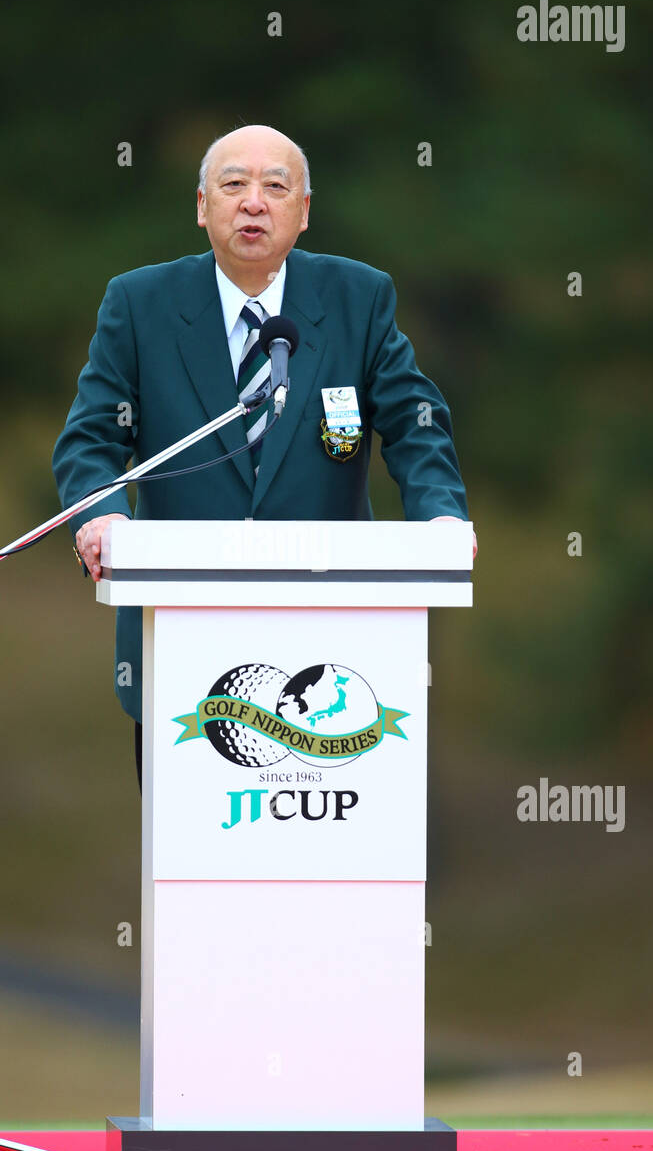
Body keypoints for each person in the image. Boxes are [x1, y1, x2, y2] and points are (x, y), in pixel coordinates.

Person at [52, 125, 476, 781]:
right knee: (188, 871)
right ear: (201, 206)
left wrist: (441, 516)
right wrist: (103, 516)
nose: (254, 201)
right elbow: (90, 439)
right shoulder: (140, 305)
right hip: (180, 649)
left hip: (332, 649)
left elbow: (415, 424)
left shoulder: (357, 300)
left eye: (276, 186)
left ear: (303, 212)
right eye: (234, 185)